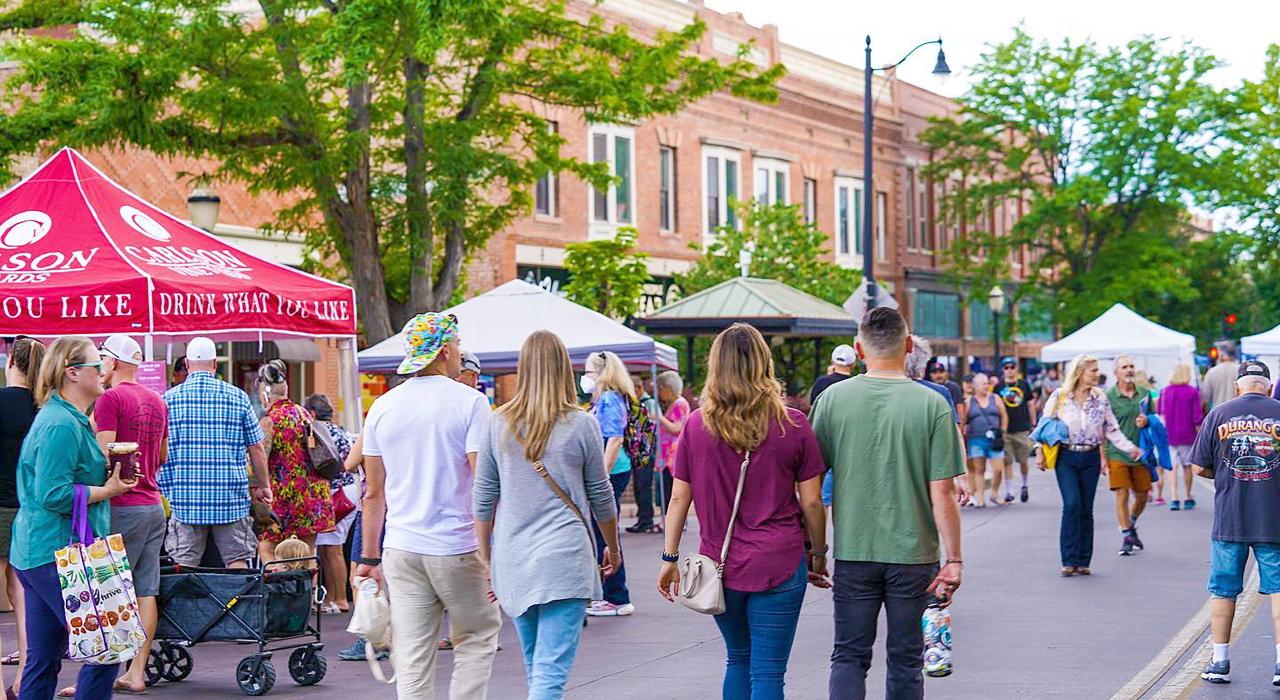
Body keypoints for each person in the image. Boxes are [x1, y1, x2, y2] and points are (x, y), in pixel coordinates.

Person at [657, 323, 829, 699]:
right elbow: (813, 502)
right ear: (763, 363)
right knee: (768, 673)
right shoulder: (793, 424)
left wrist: (670, 558)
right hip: (780, 561)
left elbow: (678, 499)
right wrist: (817, 553)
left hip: (719, 564)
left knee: (738, 658)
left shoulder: (697, 425)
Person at [810, 307, 964, 700]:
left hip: (854, 549)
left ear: (859, 350)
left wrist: (816, 551)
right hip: (914, 553)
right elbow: (943, 491)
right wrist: (954, 559)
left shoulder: (831, 401)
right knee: (906, 658)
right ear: (908, 346)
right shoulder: (932, 404)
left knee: (848, 655)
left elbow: (809, 487)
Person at [354, 312, 501, 699]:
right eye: (457, 345)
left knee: (412, 657)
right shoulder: (471, 403)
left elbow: (373, 492)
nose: (460, 352)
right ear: (444, 351)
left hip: (401, 547)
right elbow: (482, 482)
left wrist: (368, 559)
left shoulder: (383, 407)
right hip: (458, 545)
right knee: (476, 636)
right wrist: (491, 550)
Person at [474, 330, 621, 700]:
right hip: (565, 557)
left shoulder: (498, 422)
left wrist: (486, 556)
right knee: (548, 674)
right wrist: (612, 548)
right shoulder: (582, 424)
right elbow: (601, 496)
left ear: (524, 369)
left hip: (514, 557)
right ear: (563, 368)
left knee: (536, 667)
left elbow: (484, 495)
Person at [13, 336, 139, 700]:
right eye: (96, 364)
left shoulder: (66, 418)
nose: (105, 369)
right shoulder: (60, 424)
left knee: (43, 658)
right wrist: (110, 490)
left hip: (42, 551)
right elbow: (53, 494)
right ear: (72, 373)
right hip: (58, 552)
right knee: (109, 646)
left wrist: (109, 477)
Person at [1188, 361, 1280, 685]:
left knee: (1224, 590)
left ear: (1238, 386)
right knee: (1279, 589)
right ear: (1268, 386)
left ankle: (1219, 661)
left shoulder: (1218, 414)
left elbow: (1198, 468)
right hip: (1274, 518)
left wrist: (1225, 473)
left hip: (1231, 518)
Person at [94, 335, 169, 695]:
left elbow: (101, 456)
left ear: (114, 362)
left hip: (122, 506)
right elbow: (163, 455)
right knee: (145, 590)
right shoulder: (156, 398)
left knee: (109, 591)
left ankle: (101, 677)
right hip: (153, 504)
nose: (100, 367)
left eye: (103, 359)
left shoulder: (110, 398)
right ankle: (136, 671)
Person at [160, 336, 272, 569]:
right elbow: (256, 448)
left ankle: (190, 607)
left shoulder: (168, 400)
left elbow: (159, 449)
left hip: (184, 498)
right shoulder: (238, 397)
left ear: (187, 365)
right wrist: (263, 485)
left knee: (184, 566)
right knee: (238, 561)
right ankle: (238, 605)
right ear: (215, 364)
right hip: (229, 498)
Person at [1038, 354, 1141, 576]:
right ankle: (1068, 559)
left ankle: (1083, 560)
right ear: (1079, 372)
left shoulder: (1100, 398)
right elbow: (1044, 424)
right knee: (1072, 504)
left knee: (1086, 508)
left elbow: (1111, 428)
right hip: (1067, 456)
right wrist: (1040, 451)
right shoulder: (1060, 396)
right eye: (1093, 370)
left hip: (1091, 456)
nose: (1097, 374)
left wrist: (1130, 447)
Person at [0, 336, 42, 695]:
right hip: (32, 511)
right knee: (23, 594)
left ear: (10, 361)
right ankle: (24, 679)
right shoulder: (47, 408)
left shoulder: (1, 403)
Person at [580, 351, 636, 617]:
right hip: (611, 471)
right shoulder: (606, 398)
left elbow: (614, 440)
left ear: (602, 373)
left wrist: (599, 478)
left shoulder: (609, 399)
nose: (586, 377)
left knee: (605, 531)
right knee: (603, 530)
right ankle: (610, 594)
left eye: (589, 372)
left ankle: (617, 596)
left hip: (612, 471)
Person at [306, 393, 355, 614]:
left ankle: (340, 599)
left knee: (333, 549)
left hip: (336, 493)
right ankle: (334, 598)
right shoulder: (339, 431)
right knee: (330, 548)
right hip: (347, 491)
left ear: (313, 414)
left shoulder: (319, 432)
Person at [1107, 356, 1153, 556]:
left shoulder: (1144, 393)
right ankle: (1126, 535)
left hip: (1140, 452)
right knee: (1122, 492)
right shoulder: (1109, 396)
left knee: (1142, 495)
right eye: (1124, 367)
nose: (1128, 370)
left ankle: (1132, 523)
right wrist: (1102, 456)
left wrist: (1147, 421)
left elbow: (1155, 420)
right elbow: (1103, 427)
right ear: (1116, 372)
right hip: (1117, 452)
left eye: (1131, 366)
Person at [959, 373, 1009, 508]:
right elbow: (963, 420)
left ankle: (994, 493)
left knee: (998, 468)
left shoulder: (996, 398)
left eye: (987, 383)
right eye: (983, 384)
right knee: (978, 469)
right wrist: (961, 436)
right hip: (976, 439)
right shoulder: (969, 401)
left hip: (995, 439)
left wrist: (1002, 431)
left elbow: (1004, 415)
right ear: (975, 387)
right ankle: (980, 498)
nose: (986, 386)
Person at [1160, 362, 1203, 511]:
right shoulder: (1192, 392)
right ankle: (1188, 496)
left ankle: (1173, 497)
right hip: (1187, 434)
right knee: (1186, 466)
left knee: (1172, 466)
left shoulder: (1165, 391)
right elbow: (1197, 416)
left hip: (1169, 434)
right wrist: (1201, 435)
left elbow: (1160, 413)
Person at [995, 357, 1038, 503]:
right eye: (1006, 367)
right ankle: (1009, 490)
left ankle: (1024, 485)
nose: (1009, 370)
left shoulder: (1024, 385)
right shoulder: (998, 387)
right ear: (1003, 369)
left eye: (1012, 367)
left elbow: (1031, 404)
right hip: (1005, 429)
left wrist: (1033, 424)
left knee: (1023, 460)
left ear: (1016, 368)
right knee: (1007, 461)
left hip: (1022, 428)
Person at [627, 374, 662, 534]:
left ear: (639, 388)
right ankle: (643, 518)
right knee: (638, 487)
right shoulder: (637, 404)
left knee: (643, 486)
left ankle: (646, 520)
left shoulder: (649, 404)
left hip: (646, 453)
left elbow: (652, 430)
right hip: (639, 452)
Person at [654, 370, 690, 519]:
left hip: (672, 455)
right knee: (666, 489)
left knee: (670, 490)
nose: (659, 393)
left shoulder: (679, 404)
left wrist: (660, 418)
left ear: (668, 390)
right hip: (667, 456)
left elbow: (677, 428)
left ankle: (674, 521)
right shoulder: (674, 404)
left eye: (660, 389)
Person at [1201, 341, 1240, 412]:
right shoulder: (1241, 370)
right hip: (1237, 416)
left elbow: (1205, 399)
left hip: (1218, 414)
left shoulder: (1212, 372)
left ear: (1221, 354)